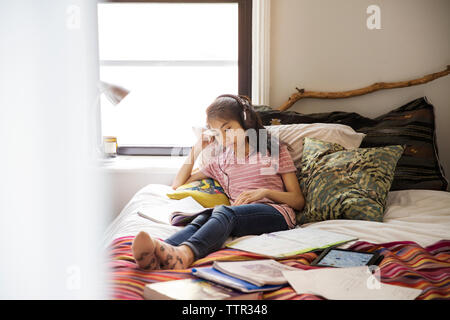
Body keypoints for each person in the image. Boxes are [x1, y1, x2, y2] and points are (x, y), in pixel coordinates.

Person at [131, 94, 305, 270]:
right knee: (203, 218)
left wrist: (265, 193)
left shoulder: (273, 150)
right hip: (239, 216)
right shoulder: (220, 161)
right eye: (217, 133)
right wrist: (197, 148)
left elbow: (298, 201)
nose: (224, 137)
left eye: (227, 129)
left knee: (224, 212)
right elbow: (178, 184)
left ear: (245, 124)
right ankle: (157, 250)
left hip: (278, 214)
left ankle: (186, 254)